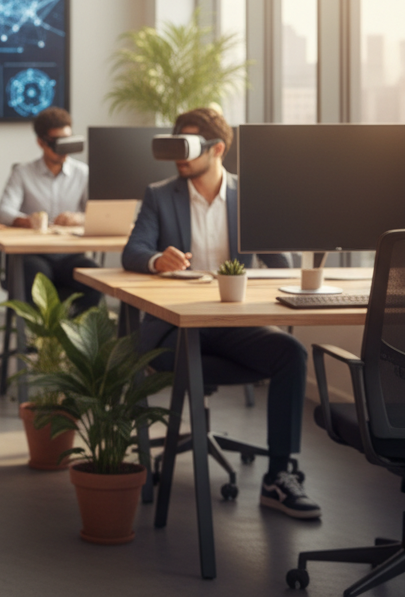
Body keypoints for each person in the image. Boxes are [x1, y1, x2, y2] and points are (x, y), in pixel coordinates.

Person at [122, 106, 320, 519]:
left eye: (189, 145)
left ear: (218, 149)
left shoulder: (249, 195)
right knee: (187, 355)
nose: (180, 155)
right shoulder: (160, 195)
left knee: (290, 353)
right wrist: (160, 260)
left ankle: (278, 477)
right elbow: (134, 251)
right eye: (175, 145)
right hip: (176, 327)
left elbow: (280, 262)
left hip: (233, 324)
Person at [0, 106, 101, 313]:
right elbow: (3, 212)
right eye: (57, 143)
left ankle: (76, 338)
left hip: (70, 255)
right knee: (36, 275)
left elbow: (99, 214)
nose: (64, 150)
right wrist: (28, 221)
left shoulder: (83, 173)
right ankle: (37, 343)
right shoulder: (23, 173)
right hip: (32, 254)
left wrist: (78, 219)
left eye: (67, 142)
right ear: (41, 142)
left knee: (94, 275)